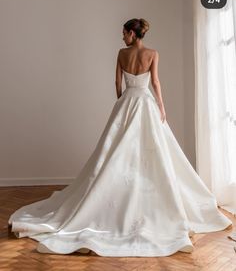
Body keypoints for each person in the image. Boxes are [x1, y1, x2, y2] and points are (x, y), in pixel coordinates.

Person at [8, 18, 232, 257]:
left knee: (115, 152)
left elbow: (117, 81)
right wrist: (161, 107)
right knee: (151, 150)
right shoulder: (153, 53)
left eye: (124, 33)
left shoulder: (122, 54)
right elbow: (155, 82)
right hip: (145, 103)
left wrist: (121, 101)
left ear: (133, 34)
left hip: (126, 103)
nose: (122, 37)